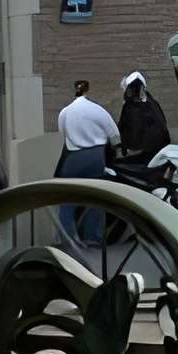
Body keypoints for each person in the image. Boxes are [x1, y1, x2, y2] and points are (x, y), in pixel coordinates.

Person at [55, 77, 117, 245]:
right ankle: (91, 237)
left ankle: (67, 237)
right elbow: (115, 135)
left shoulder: (65, 112)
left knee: (68, 200)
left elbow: (62, 134)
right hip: (96, 157)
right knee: (94, 199)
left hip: (73, 157)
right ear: (88, 90)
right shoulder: (98, 110)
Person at [116, 70, 172, 162]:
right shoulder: (153, 103)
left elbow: (125, 132)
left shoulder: (130, 108)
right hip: (159, 147)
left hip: (142, 151)